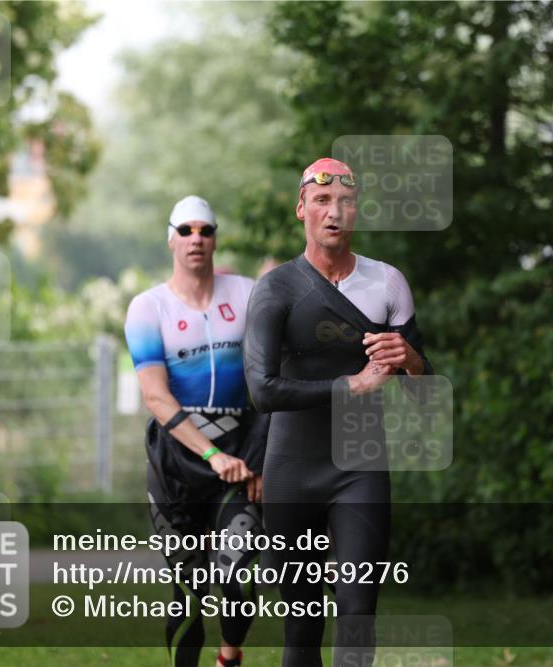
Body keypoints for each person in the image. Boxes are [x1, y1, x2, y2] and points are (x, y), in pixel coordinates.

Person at [243, 158, 433, 667]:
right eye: (322, 200)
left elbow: (423, 391)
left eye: (345, 202)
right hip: (292, 469)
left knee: (356, 611)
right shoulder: (276, 288)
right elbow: (262, 391)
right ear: (301, 208)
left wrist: (411, 360)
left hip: (360, 468)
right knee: (302, 626)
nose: (334, 212)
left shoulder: (388, 283)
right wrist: (353, 384)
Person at [124, 195, 268, 667]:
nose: (196, 239)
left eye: (205, 230)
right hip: (177, 464)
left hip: (240, 458)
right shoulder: (148, 308)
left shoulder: (248, 294)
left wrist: (258, 460)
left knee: (238, 571)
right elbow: (155, 396)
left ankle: (229, 657)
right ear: (171, 240)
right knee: (188, 591)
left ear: (215, 239)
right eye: (185, 230)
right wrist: (211, 454)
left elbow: (274, 379)